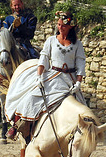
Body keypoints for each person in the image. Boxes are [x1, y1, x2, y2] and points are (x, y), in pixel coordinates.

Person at [5, 11, 86, 140]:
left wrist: (78, 82)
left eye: (63, 26)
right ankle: (18, 125)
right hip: (53, 76)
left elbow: (81, 63)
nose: (60, 27)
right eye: (59, 25)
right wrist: (39, 76)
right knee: (31, 97)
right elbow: (43, 58)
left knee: (83, 109)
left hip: (70, 79)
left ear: (70, 27)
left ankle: (85, 134)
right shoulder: (51, 40)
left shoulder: (77, 44)